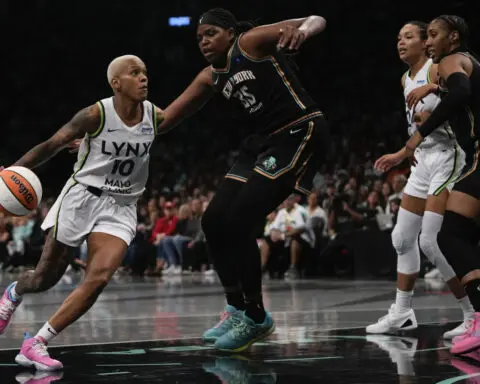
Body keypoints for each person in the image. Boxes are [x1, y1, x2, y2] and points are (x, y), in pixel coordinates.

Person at [157, 8, 328, 351]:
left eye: (211, 34)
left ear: (230, 33)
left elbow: (316, 17)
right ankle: (236, 307)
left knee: (239, 222)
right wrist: (113, 132)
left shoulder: (249, 43)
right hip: (263, 141)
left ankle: (256, 316)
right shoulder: (211, 76)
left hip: (299, 130)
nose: (204, 42)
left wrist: (304, 31)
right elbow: (165, 119)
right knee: (213, 220)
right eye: (199, 38)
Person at [0, 55, 163, 370]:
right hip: (82, 198)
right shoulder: (94, 114)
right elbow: (52, 144)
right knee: (45, 277)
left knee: (99, 277)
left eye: (145, 72)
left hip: (123, 205)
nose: (144, 78)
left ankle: (37, 343)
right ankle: (14, 292)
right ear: (116, 83)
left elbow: (191, 102)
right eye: (135, 73)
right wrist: (12, 171)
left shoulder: (154, 116)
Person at [376, 15, 480, 354]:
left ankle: (471, 314)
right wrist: (405, 149)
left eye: (411, 36)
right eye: (397, 38)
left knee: (436, 240)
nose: (401, 42)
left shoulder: (441, 64)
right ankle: (403, 312)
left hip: (448, 157)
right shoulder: (407, 77)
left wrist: (435, 89)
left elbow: (460, 88)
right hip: (422, 161)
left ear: (429, 41)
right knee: (402, 238)